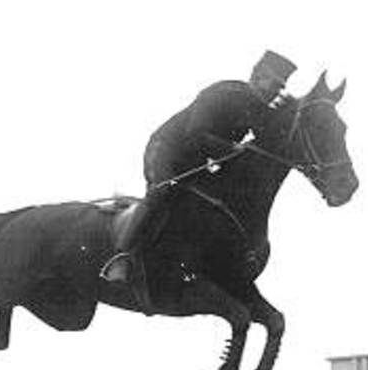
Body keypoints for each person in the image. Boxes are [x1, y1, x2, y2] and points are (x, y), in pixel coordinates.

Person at [99, 50, 298, 295]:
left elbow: (273, 139)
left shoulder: (260, 110)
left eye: (280, 88)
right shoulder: (222, 93)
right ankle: (121, 256)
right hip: (166, 151)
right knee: (162, 192)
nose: (276, 92)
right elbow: (195, 135)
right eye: (274, 84)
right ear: (257, 77)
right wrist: (231, 148)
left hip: (197, 161)